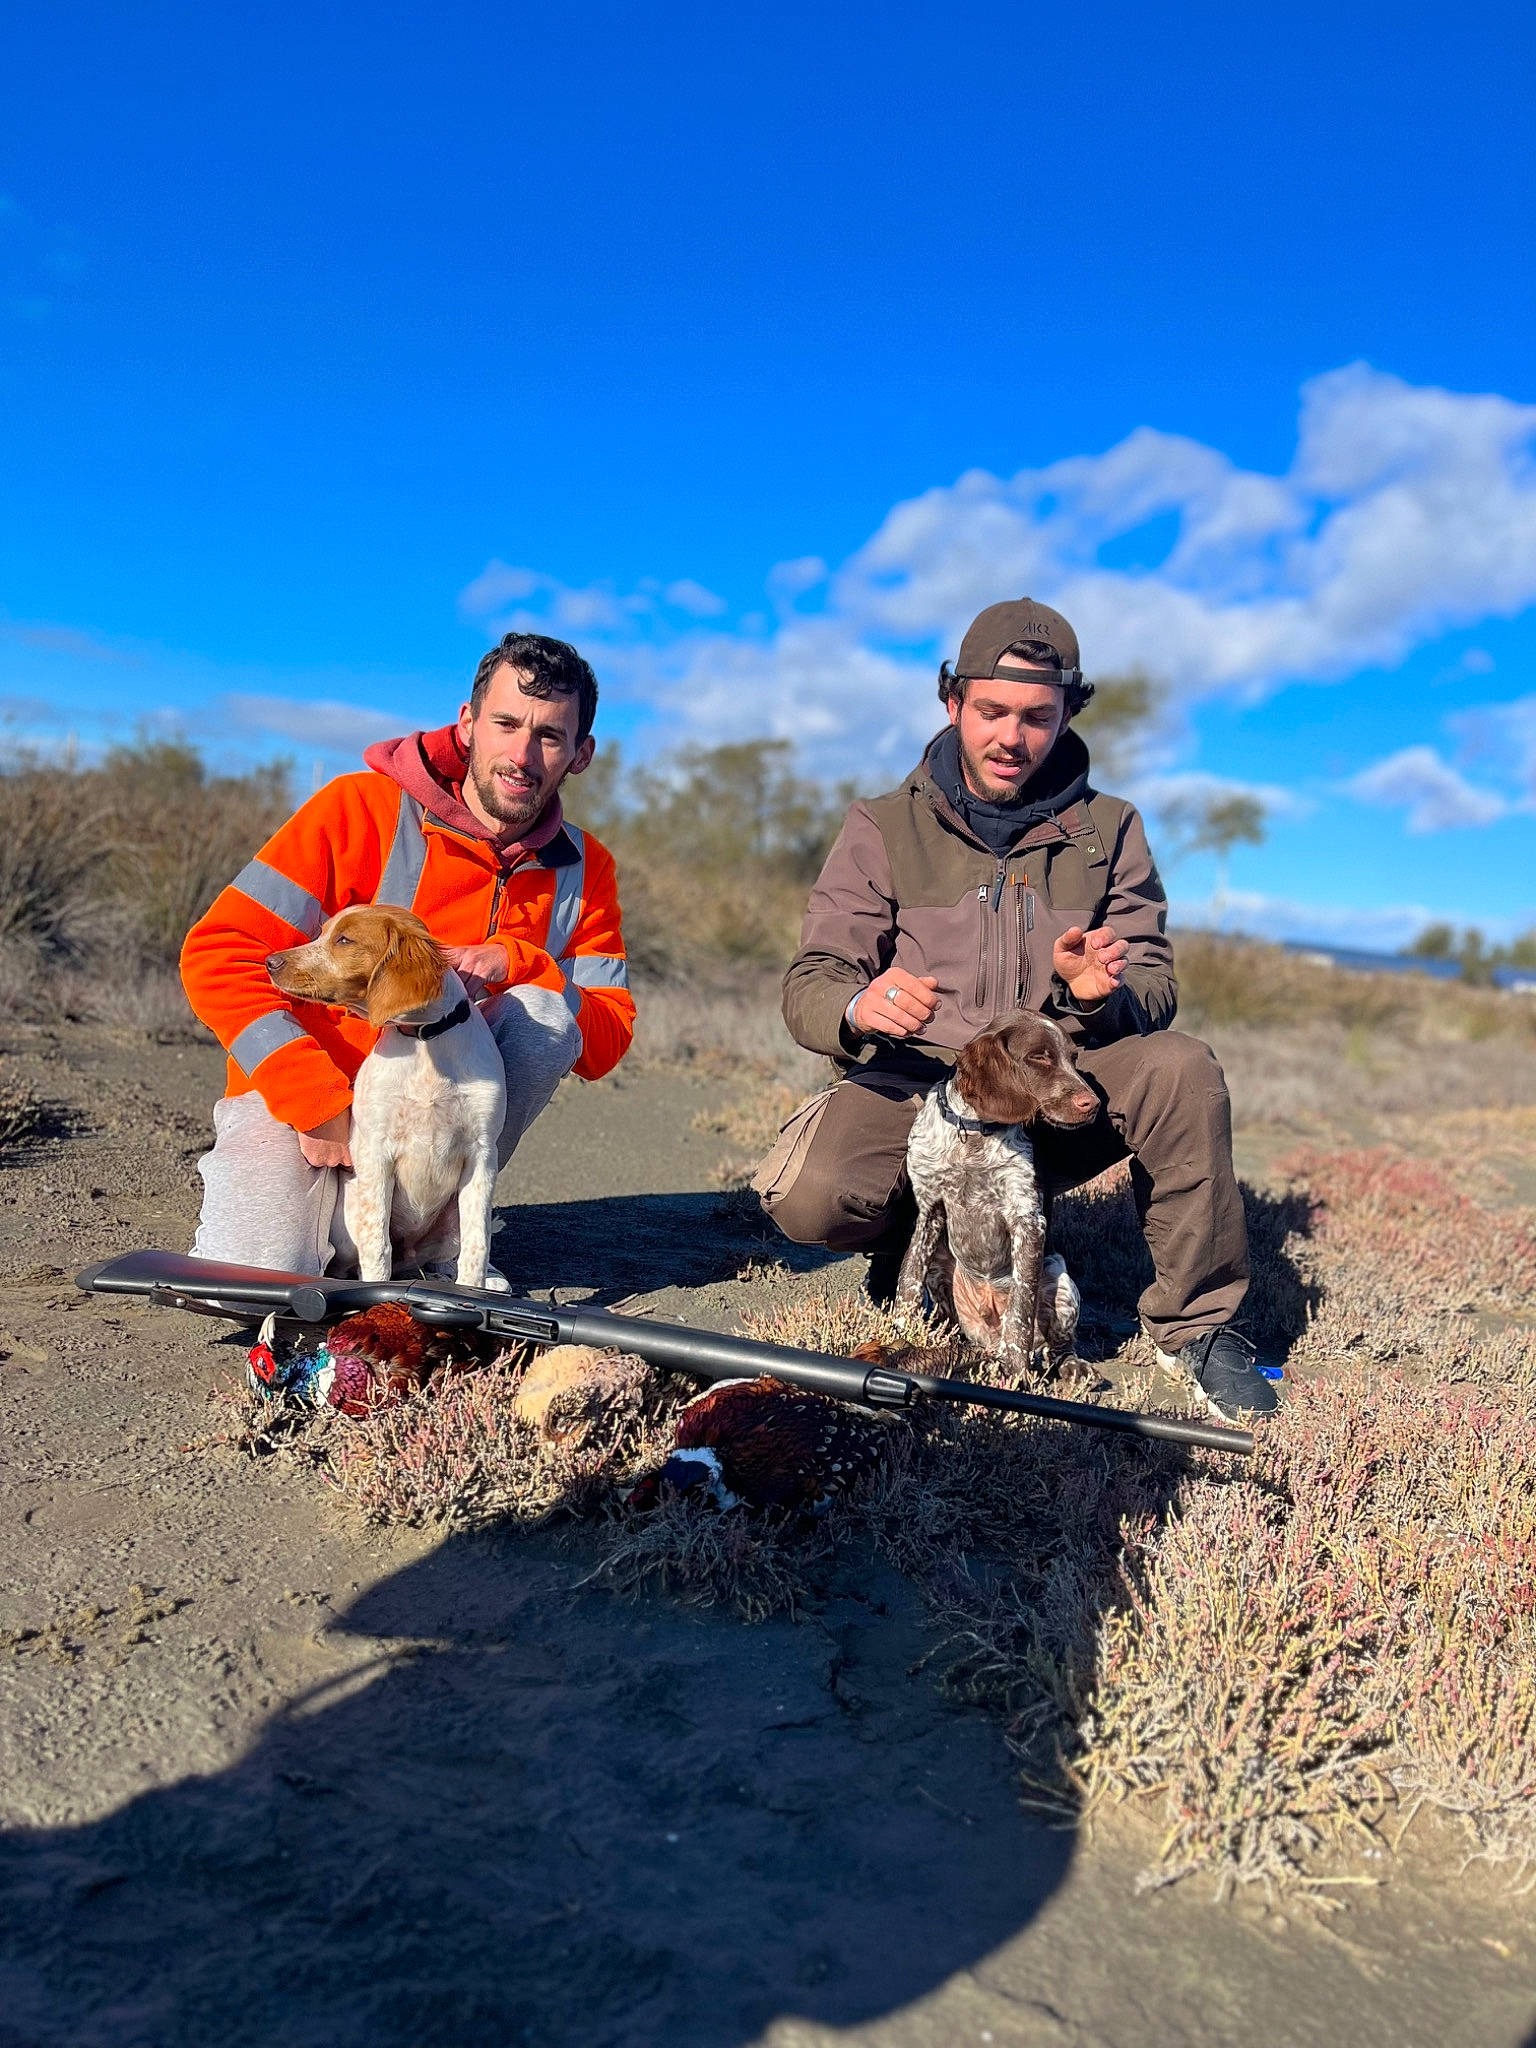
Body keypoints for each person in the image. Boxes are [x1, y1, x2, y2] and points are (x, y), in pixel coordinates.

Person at [759, 597, 1276, 1422]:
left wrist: (1096, 996)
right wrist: (860, 1004)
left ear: (1070, 709)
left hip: (1059, 1077)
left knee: (1182, 1068)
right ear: (953, 701)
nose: (1011, 737)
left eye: (1038, 715)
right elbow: (812, 979)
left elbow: (1154, 981)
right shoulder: (881, 826)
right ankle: (918, 1242)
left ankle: (1198, 1330)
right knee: (813, 1196)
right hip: (924, 1086)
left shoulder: (1112, 829)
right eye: (991, 710)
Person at [180, 631, 632, 1278]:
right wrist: (313, 1100)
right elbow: (218, 952)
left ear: (581, 754)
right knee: (247, 1278)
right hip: (312, 1105)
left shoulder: (586, 872)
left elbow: (605, 1040)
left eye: (550, 736)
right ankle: (328, 1236)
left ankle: (441, 1240)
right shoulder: (357, 808)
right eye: (505, 723)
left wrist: (522, 963)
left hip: (444, 1127)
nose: (522, 754)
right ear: (468, 723)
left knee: (545, 1013)